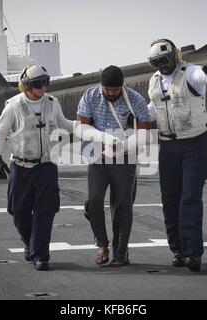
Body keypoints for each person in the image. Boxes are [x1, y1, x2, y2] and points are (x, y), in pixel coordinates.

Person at [0, 65, 74, 271]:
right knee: (18, 211)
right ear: (26, 86)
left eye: (45, 83)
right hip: (20, 166)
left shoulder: (53, 103)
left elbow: (65, 124)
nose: (42, 89)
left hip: (46, 165)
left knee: (45, 212)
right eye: (37, 85)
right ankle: (30, 243)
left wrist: (88, 126)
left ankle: (41, 256)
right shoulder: (13, 106)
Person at [147, 39, 207, 272]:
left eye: (164, 60)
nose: (161, 66)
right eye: (156, 62)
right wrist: (137, 116)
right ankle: (177, 249)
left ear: (174, 57)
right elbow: (154, 107)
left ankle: (193, 252)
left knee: (190, 198)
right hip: (167, 147)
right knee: (170, 200)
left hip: (194, 146)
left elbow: (203, 78)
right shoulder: (154, 80)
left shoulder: (190, 73)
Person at [75, 65, 151, 267]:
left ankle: (120, 251)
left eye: (115, 90)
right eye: (107, 89)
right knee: (94, 200)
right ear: (102, 86)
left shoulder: (136, 99)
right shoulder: (90, 96)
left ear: (122, 86)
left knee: (123, 205)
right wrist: (105, 138)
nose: (111, 93)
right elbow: (81, 127)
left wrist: (121, 146)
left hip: (125, 160)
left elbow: (144, 134)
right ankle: (102, 244)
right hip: (98, 158)